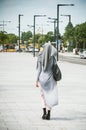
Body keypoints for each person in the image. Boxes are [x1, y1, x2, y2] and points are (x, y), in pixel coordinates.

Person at [36, 42, 58, 120]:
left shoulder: (40, 56)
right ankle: (48, 114)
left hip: (42, 79)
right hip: (51, 80)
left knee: (43, 97)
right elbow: (55, 68)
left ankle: (44, 113)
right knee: (50, 96)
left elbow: (39, 70)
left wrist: (36, 81)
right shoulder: (52, 57)